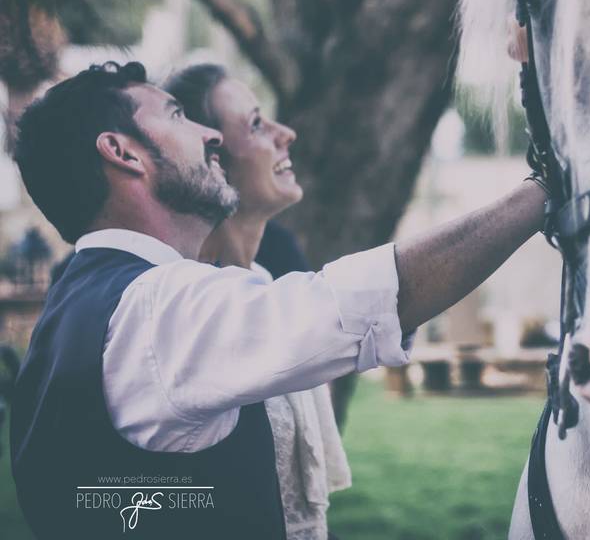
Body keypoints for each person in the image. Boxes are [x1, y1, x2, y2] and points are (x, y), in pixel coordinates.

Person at [9, 61, 547, 539]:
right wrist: (543, 192)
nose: (209, 136)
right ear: (122, 152)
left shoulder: (86, 301)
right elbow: (355, 305)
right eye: (177, 116)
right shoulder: (155, 307)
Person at [164, 63, 347, 539]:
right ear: (212, 159)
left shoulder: (274, 276)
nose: (286, 134)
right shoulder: (192, 310)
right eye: (256, 124)